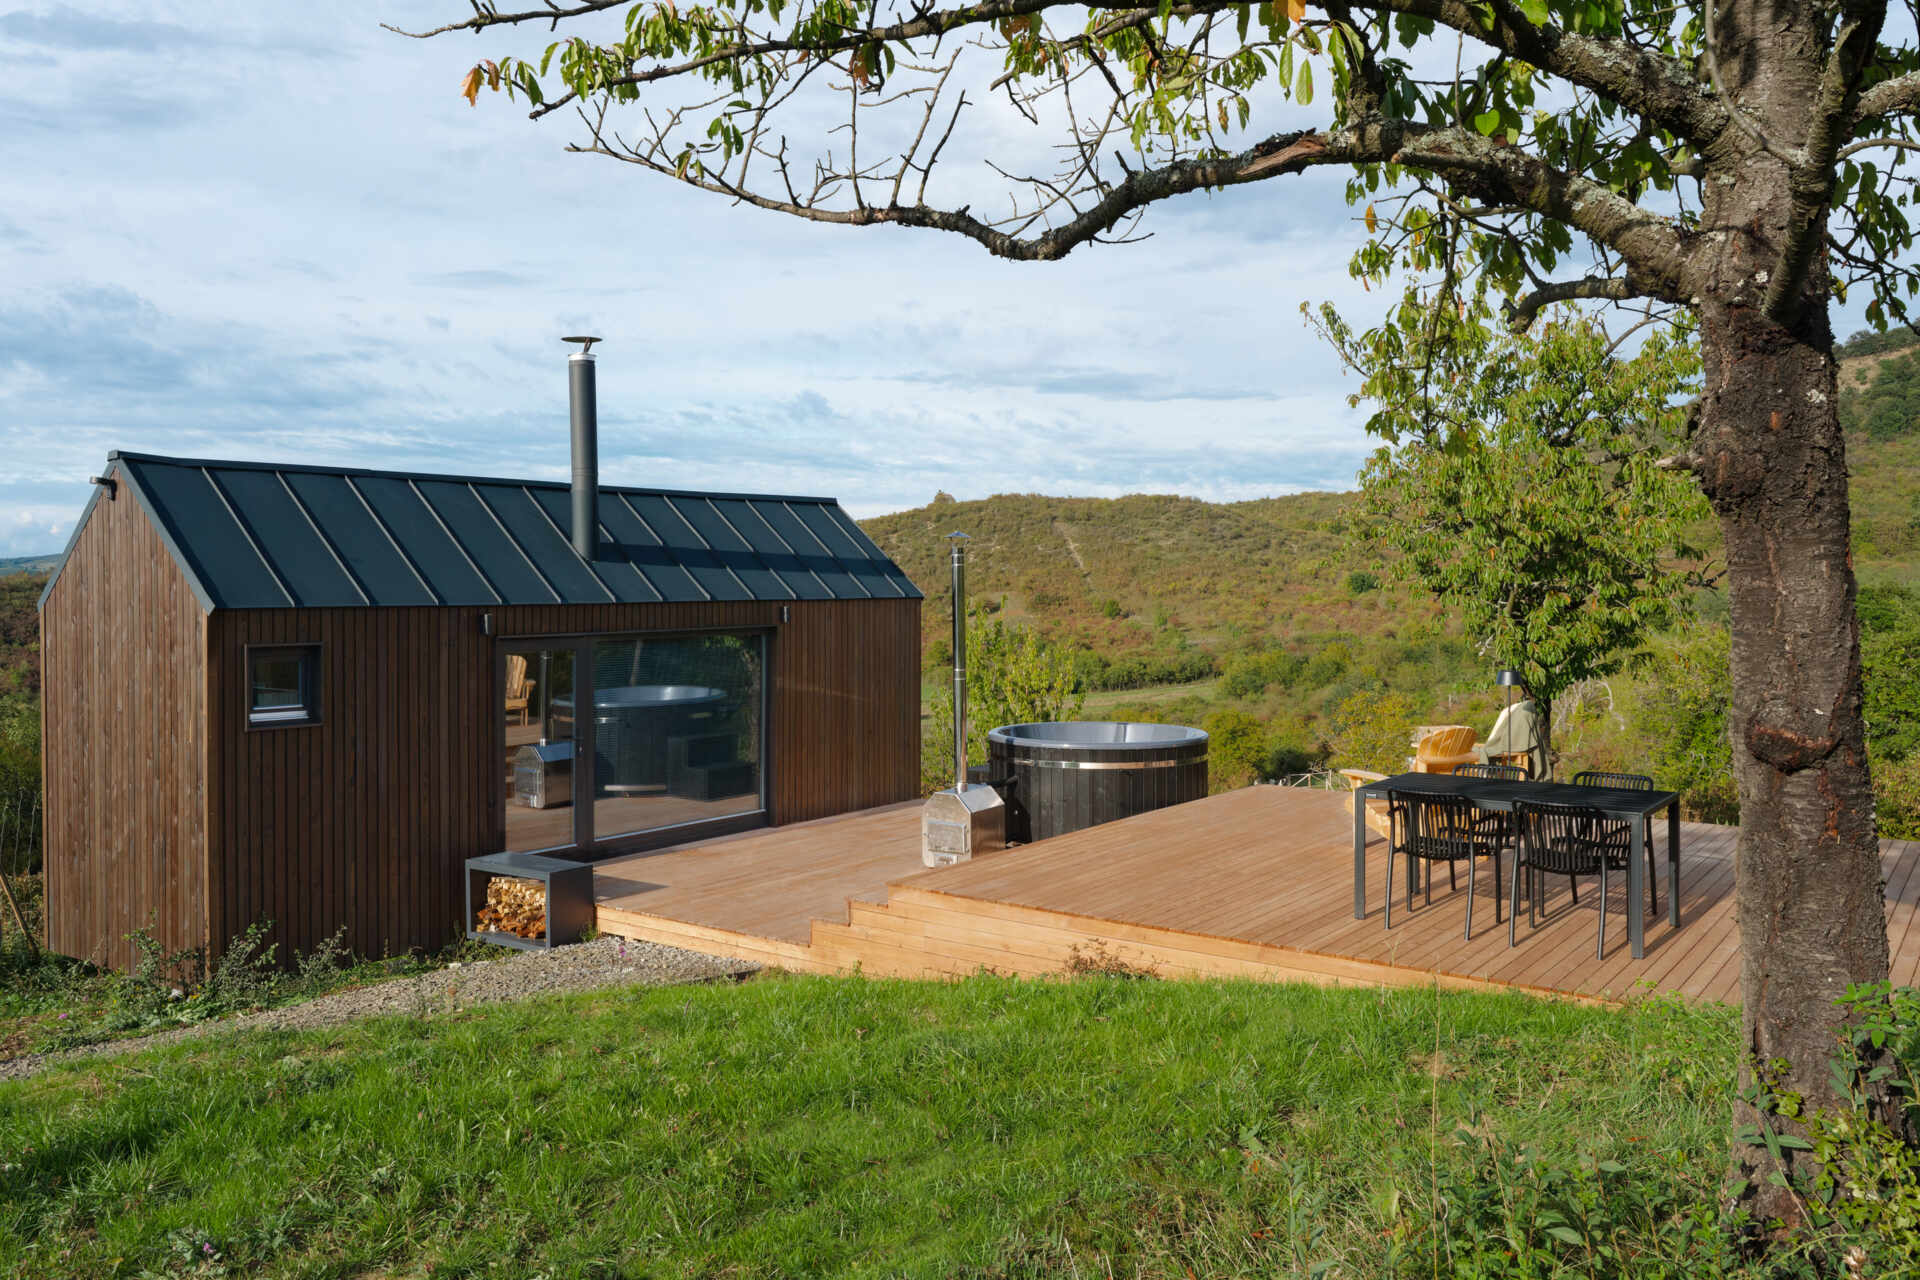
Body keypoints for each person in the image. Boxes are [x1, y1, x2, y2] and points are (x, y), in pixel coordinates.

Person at [1474, 682, 1548, 779]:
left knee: (1475, 752)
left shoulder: (1521, 714)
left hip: (1509, 746)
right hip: (1504, 745)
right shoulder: (1510, 713)